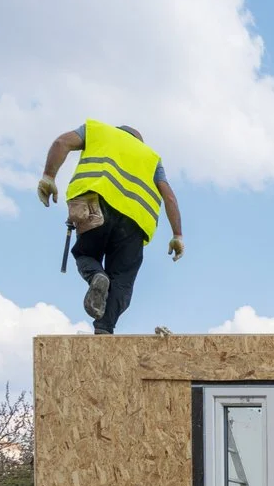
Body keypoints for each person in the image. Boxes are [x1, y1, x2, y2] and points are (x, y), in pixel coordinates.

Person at [37, 119, 184, 334]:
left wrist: (48, 177)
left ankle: (97, 275)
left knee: (86, 255)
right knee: (122, 281)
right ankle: (104, 329)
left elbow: (62, 143)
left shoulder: (98, 131)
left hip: (96, 207)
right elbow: (169, 197)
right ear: (139, 141)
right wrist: (177, 235)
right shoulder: (152, 158)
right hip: (134, 224)